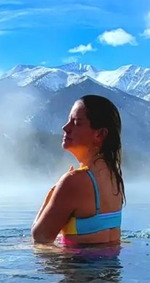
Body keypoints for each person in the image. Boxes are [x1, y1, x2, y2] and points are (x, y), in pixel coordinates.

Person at [31, 94, 125, 247]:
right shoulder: (114, 176)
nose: (65, 128)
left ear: (100, 134)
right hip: (112, 268)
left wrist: (50, 197)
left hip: (78, 268)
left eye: (76, 123)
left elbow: (40, 237)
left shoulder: (75, 181)